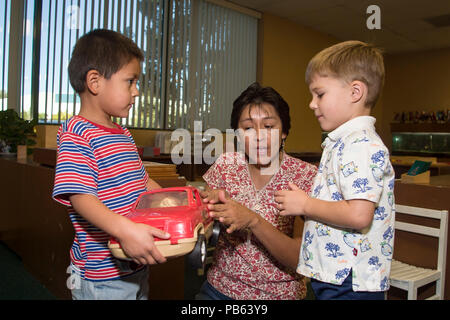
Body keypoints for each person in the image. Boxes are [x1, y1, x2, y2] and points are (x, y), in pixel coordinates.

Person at [52, 29, 170, 300]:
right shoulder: (76, 132)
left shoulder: (122, 134)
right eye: (130, 81)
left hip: (134, 265)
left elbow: (141, 182)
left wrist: (170, 198)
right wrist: (124, 230)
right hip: (101, 278)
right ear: (95, 81)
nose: (137, 91)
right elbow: (80, 197)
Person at [274, 40, 395, 300]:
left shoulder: (361, 144)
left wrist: (306, 205)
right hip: (336, 274)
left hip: (350, 280)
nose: (312, 104)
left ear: (355, 92)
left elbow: (359, 214)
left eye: (320, 94)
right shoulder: (343, 141)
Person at [197, 82, 317, 300]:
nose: (259, 136)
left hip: (278, 294)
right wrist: (207, 210)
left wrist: (253, 220)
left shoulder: (304, 176)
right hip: (220, 288)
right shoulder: (226, 164)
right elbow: (202, 231)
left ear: (284, 132)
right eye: (248, 128)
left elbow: (300, 259)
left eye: (269, 126)